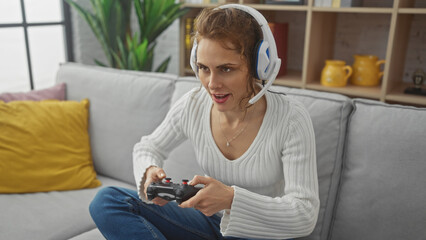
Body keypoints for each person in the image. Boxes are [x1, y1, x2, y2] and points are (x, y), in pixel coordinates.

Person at [89, 4, 319, 240]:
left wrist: (231, 198)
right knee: (108, 202)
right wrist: (149, 171)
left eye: (226, 69)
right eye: (203, 68)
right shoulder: (193, 104)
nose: (211, 83)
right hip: (213, 225)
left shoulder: (290, 118)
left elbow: (305, 215)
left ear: (258, 66)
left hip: (265, 233)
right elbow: (148, 146)